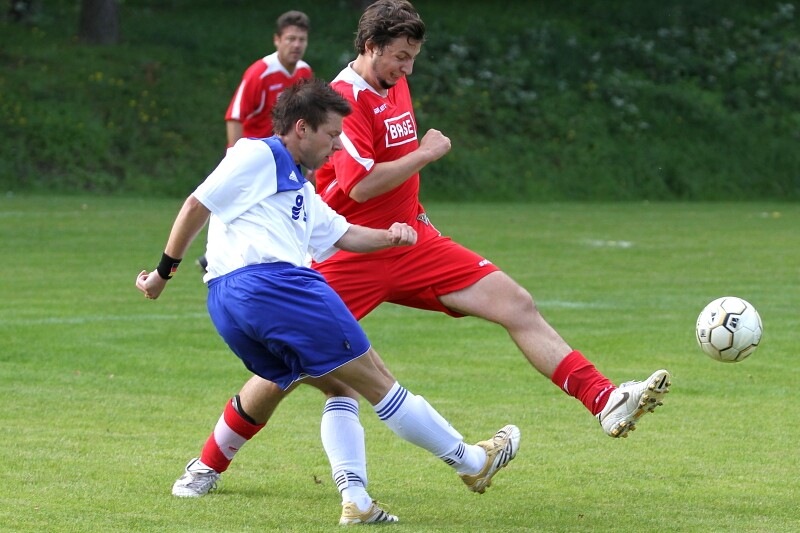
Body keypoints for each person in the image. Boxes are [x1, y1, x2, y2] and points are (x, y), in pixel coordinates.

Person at [172, 0, 672, 520]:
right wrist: (427, 153)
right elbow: (359, 186)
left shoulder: (395, 83)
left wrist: (414, 212)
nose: (407, 69)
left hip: (412, 243)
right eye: (400, 57)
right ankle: (208, 464)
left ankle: (603, 399)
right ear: (370, 47)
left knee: (516, 303)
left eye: (413, 58)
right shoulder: (344, 99)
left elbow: (395, 167)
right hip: (352, 252)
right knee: (288, 373)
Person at [136, 78, 521, 526]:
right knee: (379, 382)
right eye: (332, 134)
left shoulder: (300, 191)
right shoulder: (258, 154)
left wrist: (391, 236)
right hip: (278, 287)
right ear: (301, 128)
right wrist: (163, 273)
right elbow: (195, 205)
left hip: (229, 305)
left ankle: (356, 500)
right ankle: (472, 462)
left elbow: (344, 236)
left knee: (340, 385)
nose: (338, 146)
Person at [224, 10, 313, 148]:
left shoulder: (305, 72)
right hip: (254, 151)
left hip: (284, 153)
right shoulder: (260, 73)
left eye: (302, 40)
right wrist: (235, 155)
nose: (296, 45)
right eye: (291, 39)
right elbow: (235, 117)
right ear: (277, 40)